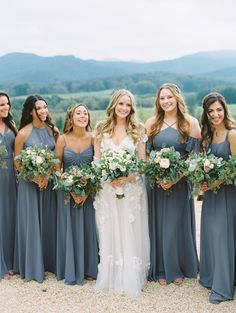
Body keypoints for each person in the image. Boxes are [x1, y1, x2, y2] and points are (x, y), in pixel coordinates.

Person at [94, 89, 150, 296]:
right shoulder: (101, 128)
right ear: (114, 105)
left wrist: (126, 178)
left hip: (130, 188)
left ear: (132, 108)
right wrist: (108, 178)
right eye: (121, 104)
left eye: (128, 105)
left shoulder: (138, 129)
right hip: (107, 188)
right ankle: (111, 274)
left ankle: (130, 274)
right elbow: (97, 161)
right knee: (110, 227)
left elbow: (142, 163)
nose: (124, 108)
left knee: (129, 227)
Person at [145, 83, 200, 286]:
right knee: (159, 223)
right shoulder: (151, 123)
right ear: (158, 102)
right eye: (162, 98)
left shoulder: (190, 123)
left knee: (176, 224)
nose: (166, 101)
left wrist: (176, 176)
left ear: (177, 98)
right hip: (157, 184)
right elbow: (146, 155)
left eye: (169, 97)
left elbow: (195, 158)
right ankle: (161, 268)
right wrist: (158, 176)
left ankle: (179, 267)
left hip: (179, 183)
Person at [14, 95, 59, 282]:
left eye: (45, 107)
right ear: (31, 111)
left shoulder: (52, 130)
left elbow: (57, 158)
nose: (43, 111)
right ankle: (32, 266)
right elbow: (17, 162)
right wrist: (34, 177)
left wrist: (46, 176)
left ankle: (49, 262)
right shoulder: (23, 133)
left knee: (49, 220)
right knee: (32, 222)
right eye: (39, 108)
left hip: (48, 183)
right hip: (29, 184)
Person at [55, 103, 98, 284]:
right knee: (69, 227)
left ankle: (89, 268)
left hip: (90, 191)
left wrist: (87, 189)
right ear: (71, 118)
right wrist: (69, 186)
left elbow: (97, 165)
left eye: (85, 113)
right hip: (67, 192)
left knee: (89, 227)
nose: (82, 116)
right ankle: (70, 268)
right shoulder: (62, 139)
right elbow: (57, 167)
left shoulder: (94, 138)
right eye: (78, 113)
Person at [199, 93, 236, 304]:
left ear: (225, 110)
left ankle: (222, 288)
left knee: (223, 236)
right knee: (212, 235)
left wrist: (217, 182)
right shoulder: (206, 136)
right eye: (211, 111)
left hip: (228, 193)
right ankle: (213, 276)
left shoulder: (232, 134)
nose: (215, 114)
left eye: (218, 110)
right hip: (211, 194)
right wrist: (202, 178)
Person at [0, 91, 17, 280]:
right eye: (1, 105)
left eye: (7, 104)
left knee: (10, 217)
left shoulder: (11, 125)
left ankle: (11, 261)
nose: (6, 108)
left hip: (11, 177)